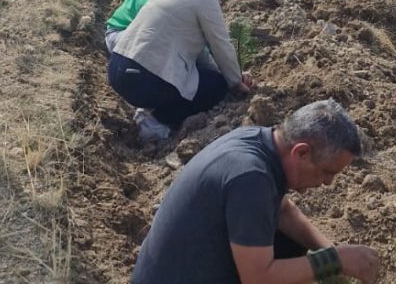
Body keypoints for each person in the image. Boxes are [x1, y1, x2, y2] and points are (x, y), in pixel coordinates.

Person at [131, 99, 382, 284]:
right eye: (327, 172)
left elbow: (283, 211)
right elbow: (258, 278)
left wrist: (331, 253)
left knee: (290, 244)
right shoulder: (250, 179)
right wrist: (334, 261)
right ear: (302, 152)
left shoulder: (257, 141)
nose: (328, 183)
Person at [108, 0, 252, 140]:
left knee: (205, 78)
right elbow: (220, 45)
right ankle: (155, 120)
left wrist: (224, 73)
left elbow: (201, 53)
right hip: (144, 81)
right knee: (216, 87)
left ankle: (151, 105)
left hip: (117, 69)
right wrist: (234, 82)